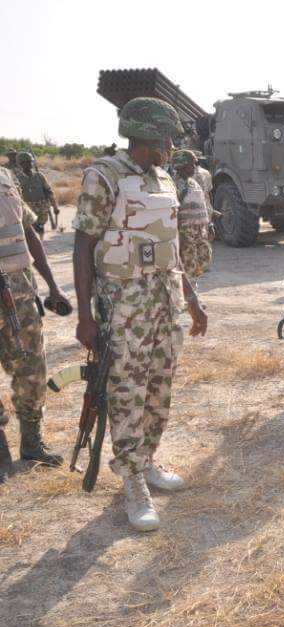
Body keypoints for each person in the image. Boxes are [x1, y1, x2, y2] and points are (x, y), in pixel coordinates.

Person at [72, 97, 208, 531]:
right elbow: (83, 247)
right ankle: (131, 481)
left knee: (158, 389)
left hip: (164, 303)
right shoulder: (104, 176)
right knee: (127, 393)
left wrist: (191, 297)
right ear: (146, 135)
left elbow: (170, 251)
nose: (172, 146)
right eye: (167, 137)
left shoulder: (164, 178)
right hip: (124, 308)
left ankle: (146, 460)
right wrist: (86, 318)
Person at [0, 164, 72, 482]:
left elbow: (28, 231)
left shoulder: (5, 177)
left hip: (21, 298)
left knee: (32, 373)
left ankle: (32, 445)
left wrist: (54, 286)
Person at [169, 150, 213, 281]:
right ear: (180, 166)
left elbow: (205, 204)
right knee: (187, 266)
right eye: (191, 165)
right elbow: (173, 212)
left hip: (200, 232)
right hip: (185, 234)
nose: (194, 167)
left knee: (200, 262)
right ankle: (189, 298)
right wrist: (178, 236)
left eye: (195, 164)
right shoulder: (176, 185)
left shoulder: (194, 183)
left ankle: (193, 293)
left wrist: (209, 224)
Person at [16, 152, 58, 235]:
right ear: (21, 164)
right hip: (28, 209)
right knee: (31, 230)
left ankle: (40, 244)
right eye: (27, 162)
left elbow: (49, 191)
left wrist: (55, 206)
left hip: (42, 207)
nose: (30, 164)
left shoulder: (39, 176)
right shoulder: (17, 179)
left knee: (41, 228)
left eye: (30, 162)